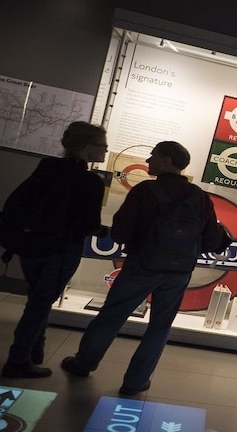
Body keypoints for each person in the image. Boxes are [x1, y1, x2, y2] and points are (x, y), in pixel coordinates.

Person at [60, 141, 228, 395]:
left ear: (167, 161)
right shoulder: (199, 196)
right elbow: (212, 240)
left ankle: (83, 364)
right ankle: (136, 382)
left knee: (112, 315)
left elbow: (119, 232)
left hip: (142, 265)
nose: (148, 161)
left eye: (153, 156)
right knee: (160, 326)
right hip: (179, 271)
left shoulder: (145, 191)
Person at [1, 122, 107, 379]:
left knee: (37, 299)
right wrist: (102, 231)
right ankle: (18, 360)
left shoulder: (47, 166)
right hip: (61, 250)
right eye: (102, 146)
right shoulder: (91, 181)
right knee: (39, 304)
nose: (105, 150)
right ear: (87, 147)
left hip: (30, 245)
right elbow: (88, 224)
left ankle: (34, 350)